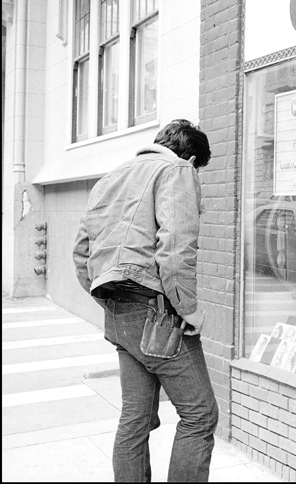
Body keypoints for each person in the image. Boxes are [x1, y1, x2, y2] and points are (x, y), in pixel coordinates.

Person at [73, 119, 217, 482]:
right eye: (199, 170)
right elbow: (175, 250)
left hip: (118, 314)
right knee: (200, 415)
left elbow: (80, 254)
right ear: (194, 157)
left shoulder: (110, 178)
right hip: (156, 312)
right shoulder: (177, 169)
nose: (196, 177)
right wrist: (189, 308)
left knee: (135, 418)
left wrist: (112, 304)